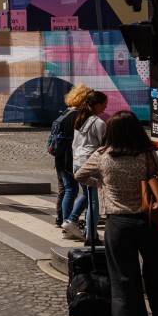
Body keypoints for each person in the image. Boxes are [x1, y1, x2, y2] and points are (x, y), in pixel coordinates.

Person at [75, 110, 158, 316]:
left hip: (118, 223)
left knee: (124, 279)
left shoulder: (102, 155)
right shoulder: (146, 154)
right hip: (150, 221)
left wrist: (101, 184)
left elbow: (80, 175)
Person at [62, 90, 108, 244]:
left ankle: (71, 220)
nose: (105, 108)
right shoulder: (98, 123)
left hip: (78, 161)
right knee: (94, 200)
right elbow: (104, 145)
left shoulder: (80, 120)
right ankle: (91, 235)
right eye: (104, 105)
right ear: (97, 105)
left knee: (86, 195)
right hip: (90, 163)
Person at [53, 84, 92, 228]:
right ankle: (70, 219)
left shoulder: (65, 113)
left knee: (69, 189)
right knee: (82, 191)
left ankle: (64, 219)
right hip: (71, 157)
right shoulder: (78, 116)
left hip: (61, 157)